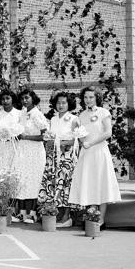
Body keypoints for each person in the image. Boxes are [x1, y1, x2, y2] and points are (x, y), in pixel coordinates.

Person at [68, 86, 121, 228]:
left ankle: (101, 219)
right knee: (90, 183)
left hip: (99, 151)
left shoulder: (104, 112)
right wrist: (77, 134)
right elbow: (80, 136)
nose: (88, 100)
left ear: (97, 97)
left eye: (91, 97)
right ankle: (92, 217)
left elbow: (108, 132)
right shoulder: (81, 116)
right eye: (85, 97)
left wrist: (90, 143)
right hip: (87, 153)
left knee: (101, 183)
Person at [38, 91, 79, 227]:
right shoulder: (54, 119)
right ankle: (54, 214)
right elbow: (50, 137)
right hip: (53, 157)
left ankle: (67, 217)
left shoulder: (74, 119)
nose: (60, 105)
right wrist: (49, 142)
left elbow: (76, 140)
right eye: (58, 102)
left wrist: (60, 143)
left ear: (69, 104)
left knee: (65, 185)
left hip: (66, 157)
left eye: (64, 102)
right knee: (53, 184)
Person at [11, 89, 48, 224]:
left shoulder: (37, 114)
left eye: (27, 98)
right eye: (22, 99)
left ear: (33, 98)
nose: (24, 101)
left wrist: (26, 137)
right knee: (21, 178)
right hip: (22, 150)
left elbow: (45, 136)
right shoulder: (23, 113)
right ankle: (21, 213)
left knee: (33, 180)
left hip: (35, 151)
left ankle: (32, 214)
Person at [0, 89, 21, 170]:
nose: (5, 101)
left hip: (16, 146)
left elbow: (22, 132)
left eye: (7, 98)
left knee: (15, 171)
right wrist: (2, 135)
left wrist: (13, 135)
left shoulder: (20, 114)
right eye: (3, 99)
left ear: (12, 99)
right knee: (1, 171)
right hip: (1, 147)